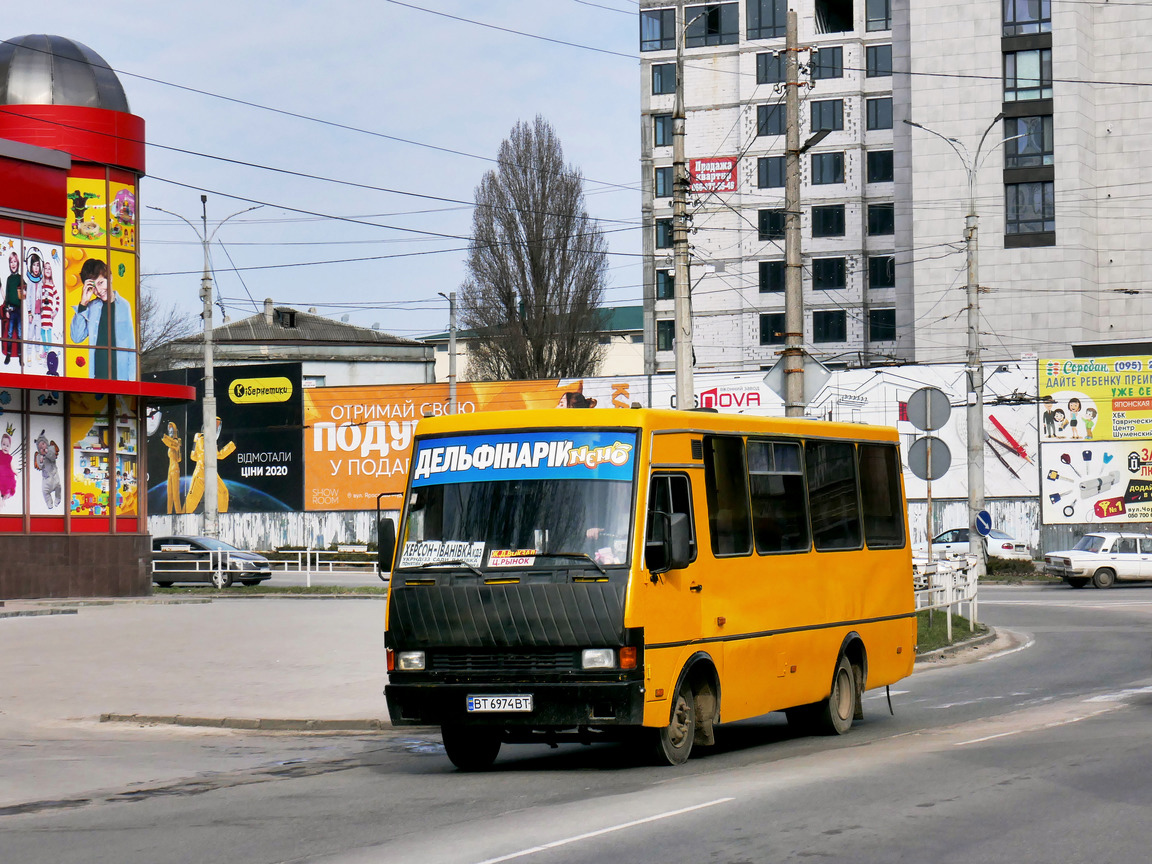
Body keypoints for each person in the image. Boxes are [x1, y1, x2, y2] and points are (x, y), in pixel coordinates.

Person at [69, 257, 136, 380]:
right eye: (93, 287)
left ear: (109, 277)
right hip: (97, 377)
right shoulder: (91, 307)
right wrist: (83, 303)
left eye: (100, 283)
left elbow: (131, 347)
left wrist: (132, 382)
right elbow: (76, 337)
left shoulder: (124, 306)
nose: (99, 291)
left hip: (121, 377)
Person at [3, 251, 25, 366]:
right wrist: (6, 309)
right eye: (11, 262)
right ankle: (8, 354)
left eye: (15, 262)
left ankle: (21, 356)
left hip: (19, 310)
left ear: (18, 263)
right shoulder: (8, 279)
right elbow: (6, 295)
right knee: (10, 333)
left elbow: (25, 289)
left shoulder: (20, 278)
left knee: (20, 333)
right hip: (11, 310)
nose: (13, 264)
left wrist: (23, 289)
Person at [162, 421, 183, 514]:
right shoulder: (171, 443)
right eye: (169, 429)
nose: (170, 431)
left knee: (175, 494)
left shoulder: (177, 441)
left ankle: (179, 513)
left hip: (175, 468)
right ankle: (169, 513)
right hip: (170, 468)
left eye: (171, 429)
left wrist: (164, 437)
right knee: (169, 494)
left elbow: (172, 444)